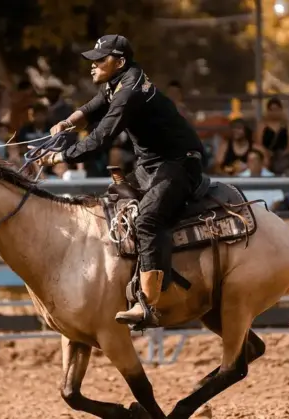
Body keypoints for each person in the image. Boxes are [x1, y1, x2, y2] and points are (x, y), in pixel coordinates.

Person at [33, 34, 204, 325]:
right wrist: (66, 123)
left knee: (147, 220)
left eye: (100, 60)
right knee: (112, 206)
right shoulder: (121, 82)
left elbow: (102, 137)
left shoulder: (129, 92)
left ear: (119, 62)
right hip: (154, 164)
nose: (93, 65)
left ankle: (148, 304)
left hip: (180, 163)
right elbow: (93, 107)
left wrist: (61, 156)